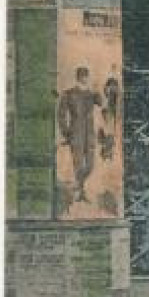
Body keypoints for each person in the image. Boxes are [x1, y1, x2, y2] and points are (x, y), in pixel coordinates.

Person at [57, 65, 103, 205]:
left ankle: (78, 186)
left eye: (86, 76)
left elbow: (101, 103)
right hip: (75, 132)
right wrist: (66, 133)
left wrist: (96, 90)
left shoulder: (91, 94)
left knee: (90, 164)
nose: (85, 78)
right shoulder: (69, 93)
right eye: (83, 76)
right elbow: (61, 115)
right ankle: (81, 193)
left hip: (89, 133)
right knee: (78, 163)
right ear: (78, 77)